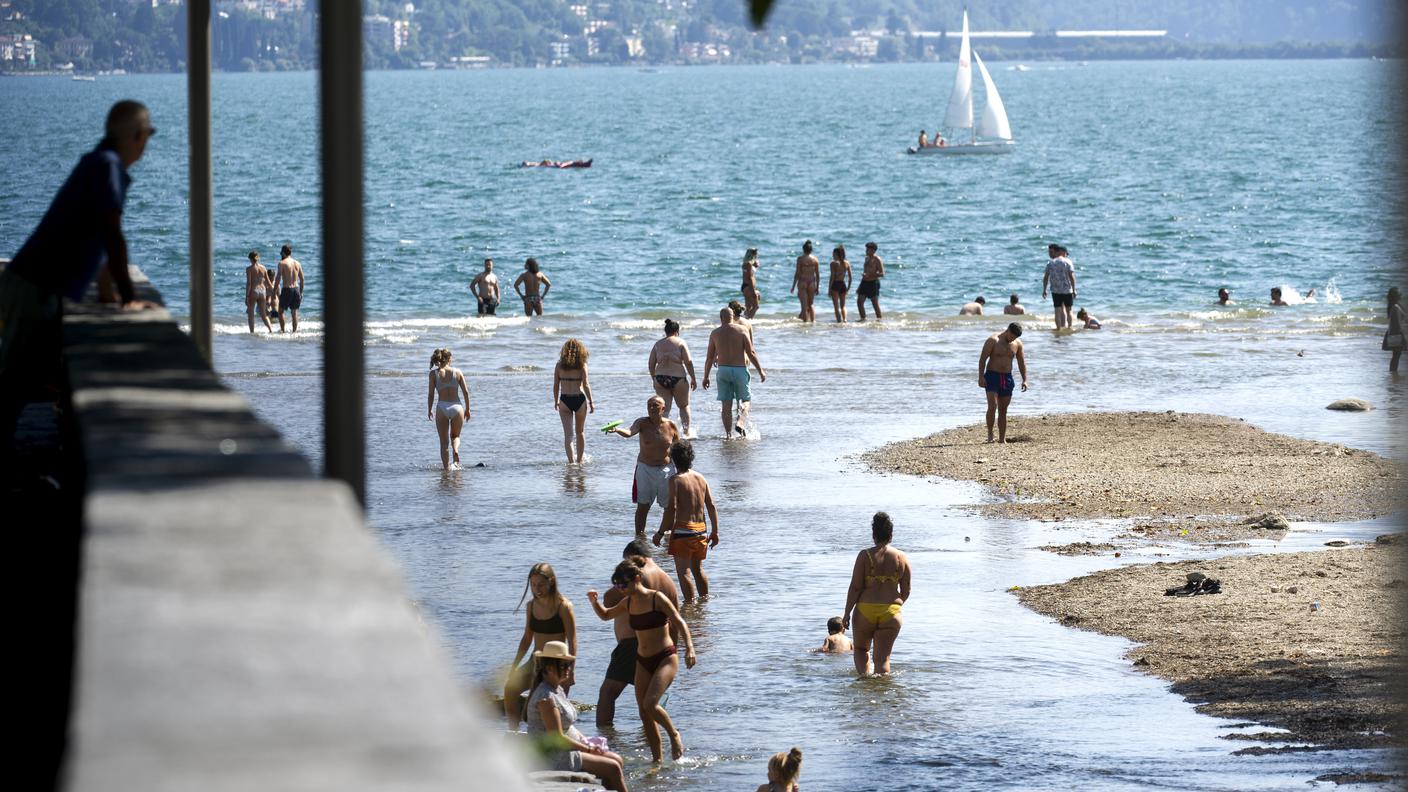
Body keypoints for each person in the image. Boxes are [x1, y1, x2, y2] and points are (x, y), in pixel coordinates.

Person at [1, 100, 157, 455]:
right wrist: (129, 298)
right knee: (16, 383)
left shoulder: (98, 163)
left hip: (33, 284)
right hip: (33, 287)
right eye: (145, 136)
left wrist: (107, 294)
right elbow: (112, 234)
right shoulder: (108, 166)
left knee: (28, 378)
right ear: (135, 136)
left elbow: (97, 238)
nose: (145, 144)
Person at [588, 560, 696, 764]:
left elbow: (679, 621)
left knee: (650, 704)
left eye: (623, 585)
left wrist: (689, 648)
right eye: (617, 586)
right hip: (642, 660)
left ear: (637, 579)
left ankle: (673, 735)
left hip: (665, 657)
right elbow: (605, 615)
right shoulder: (628, 602)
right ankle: (657, 761)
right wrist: (594, 602)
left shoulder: (656, 598)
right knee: (644, 713)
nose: (620, 590)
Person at [525, 641, 630, 792]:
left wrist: (585, 740)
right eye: (563, 666)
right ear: (548, 668)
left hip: (565, 751)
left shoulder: (557, 689)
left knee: (617, 760)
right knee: (612, 767)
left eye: (569, 665)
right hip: (552, 757)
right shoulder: (546, 698)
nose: (569, 669)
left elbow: (568, 726)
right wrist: (587, 749)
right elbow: (557, 737)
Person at [597, 540, 680, 728]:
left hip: (633, 644)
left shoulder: (638, 577)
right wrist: (672, 653)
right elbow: (675, 622)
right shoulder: (668, 580)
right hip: (663, 648)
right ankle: (650, 745)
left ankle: (604, 739)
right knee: (648, 705)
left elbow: (609, 601)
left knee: (608, 692)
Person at [506, 563, 577, 731]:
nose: (537, 589)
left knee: (545, 709)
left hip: (556, 663)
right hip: (535, 660)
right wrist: (514, 666)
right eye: (533, 585)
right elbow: (526, 639)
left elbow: (573, 641)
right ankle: (513, 733)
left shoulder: (564, 606)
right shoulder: (531, 606)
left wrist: (571, 671)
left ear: (551, 582)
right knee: (510, 689)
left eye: (541, 584)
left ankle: (555, 742)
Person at [842, 512, 911, 677]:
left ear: (873, 534)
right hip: (891, 612)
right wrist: (894, 605)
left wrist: (846, 613)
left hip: (865, 610)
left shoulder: (865, 556)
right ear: (891, 535)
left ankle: (866, 683)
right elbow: (906, 590)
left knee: (861, 649)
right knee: (883, 659)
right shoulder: (902, 557)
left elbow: (855, 587)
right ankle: (882, 689)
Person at [652, 441, 718, 601]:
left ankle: (690, 607)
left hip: (683, 531)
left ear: (673, 459)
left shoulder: (675, 480)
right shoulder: (701, 478)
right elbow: (711, 505)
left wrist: (660, 532)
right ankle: (703, 603)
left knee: (684, 572)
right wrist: (715, 531)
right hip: (701, 530)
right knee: (698, 570)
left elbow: (671, 509)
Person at [610, 396, 681, 533]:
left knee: (671, 507)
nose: (652, 408)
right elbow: (630, 432)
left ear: (663, 408)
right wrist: (618, 430)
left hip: (667, 470)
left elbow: (678, 449)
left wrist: (681, 471)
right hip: (645, 469)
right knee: (643, 506)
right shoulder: (641, 423)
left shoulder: (671, 425)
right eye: (649, 405)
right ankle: (639, 536)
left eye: (655, 405)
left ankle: (667, 536)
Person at [703, 307, 766, 437]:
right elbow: (751, 352)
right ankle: (740, 423)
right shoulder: (742, 330)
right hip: (740, 369)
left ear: (721, 318)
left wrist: (706, 377)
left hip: (723, 370)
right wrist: (760, 370)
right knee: (746, 401)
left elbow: (709, 358)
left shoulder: (715, 333)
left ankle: (728, 435)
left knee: (726, 405)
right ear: (733, 317)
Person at [978, 323, 1029, 444]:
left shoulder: (1017, 344)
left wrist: (1025, 380)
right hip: (992, 376)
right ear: (1007, 330)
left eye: (1015, 337)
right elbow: (982, 359)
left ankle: (1002, 439)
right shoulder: (993, 340)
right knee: (992, 406)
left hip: (1007, 378)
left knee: (1003, 410)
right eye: (1012, 336)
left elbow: (1021, 363)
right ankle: (990, 434)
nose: (1013, 339)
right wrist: (980, 377)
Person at [648, 319, 697, 437]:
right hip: (678, 378)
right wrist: (693, 378)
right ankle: (686, 433)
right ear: (677, 331)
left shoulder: (658, 344)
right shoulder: (680, 342)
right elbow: (688, 362)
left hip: (660, 378)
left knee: (665, 409)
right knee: (684, 406)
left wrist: (654, 378)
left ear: (666, 331)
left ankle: (663, 433)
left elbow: (651, 364)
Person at [427, 348, 471, 470]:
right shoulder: (458, 372)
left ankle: (446, 469)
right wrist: (468, 409)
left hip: (442, 408)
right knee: (455, 436)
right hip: (457, 407)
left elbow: (431, 395)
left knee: (444, 442)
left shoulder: (433, 374)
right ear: (448, 358)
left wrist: (429, 409)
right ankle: (456, 450)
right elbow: (466, 392)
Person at [554, 338, 594, 464]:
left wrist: (556, 401)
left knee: (568, 435)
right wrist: (591, 402)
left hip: (565, 399)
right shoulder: (582, 365)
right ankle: (580, 460)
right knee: (580, 431)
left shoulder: (559, 366)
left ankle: (572, 462)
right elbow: (586, 385)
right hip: (579, 399)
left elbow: (556, 385)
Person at [1042, 243, 1076, 330]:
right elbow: (1072, 277)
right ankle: (1069, 327)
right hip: (1067, 290)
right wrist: (1074, 289)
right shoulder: (1068, 262)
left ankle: (1059, 328)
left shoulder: (1051, 263)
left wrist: (1044, 290)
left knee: (1057, 311)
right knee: (1069, 311)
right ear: (1063, 252)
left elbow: (1046, 277)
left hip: (1055, 291)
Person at [271, 244, 304, 333]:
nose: (280, 254)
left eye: (281, 252)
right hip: (296, 289)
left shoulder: (282, 263)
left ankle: (283, 331)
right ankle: (294, 332)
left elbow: (277, 278)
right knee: (294, 313)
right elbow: (302, 279)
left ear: (283, 253)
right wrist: (301, 292)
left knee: (280, 311)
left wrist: (274, 291)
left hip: (287, 289)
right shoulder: (297, 263)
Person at [244, 251, 274, 333]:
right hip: (262, 292)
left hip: (254, 291)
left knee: (251, 314)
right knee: (263, 314)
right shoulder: (263, 268)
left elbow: (249, 283)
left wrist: (246, 296)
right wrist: (273, 292)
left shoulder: (249, 269)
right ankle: (271, 330)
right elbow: (268, 282)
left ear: (250, 259)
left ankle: (252, 333)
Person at [791, 240, 820, 323]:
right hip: (812, 282)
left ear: (803, 249)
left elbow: (797, 273)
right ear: (811, 250)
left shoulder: (800, 259)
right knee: (811, 304)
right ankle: (813, 321)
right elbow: (817, 275)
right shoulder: (815, 260)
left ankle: (805, 323)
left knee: (804, 305)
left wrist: (793, 286)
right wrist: (817, 287)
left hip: (803, 281)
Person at [856, 242, 884, 320]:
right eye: (866, 249)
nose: (866, 251)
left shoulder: (877, 259)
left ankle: (879, 320)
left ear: (873, 250)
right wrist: (860, 285)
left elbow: (882, 273)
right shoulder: (867, 258)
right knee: (859, 302)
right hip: (864, 282)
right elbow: (865, 272)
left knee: (874, 303)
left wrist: (870, 275)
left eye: (868, 249)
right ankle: (863, 319)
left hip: (873, 283)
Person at [828, 245, 852, 322]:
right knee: (843, 306)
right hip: (843, 284)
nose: (832, 255)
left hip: (835, 284)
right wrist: (848, 288)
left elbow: (832, 277)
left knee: (836, 306)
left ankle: (839, 321)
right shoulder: (847, 263)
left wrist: (829, 289)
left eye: (834, 254)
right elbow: (850, 277)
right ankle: (845, 320)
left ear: (838, 255)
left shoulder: (833, 263)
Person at [1384, 287, 1404, 373]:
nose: (1401, 295)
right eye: (1399, 294)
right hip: (1397, 335)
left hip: (1393, 335)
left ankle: (1393, 372)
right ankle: (1393, 372)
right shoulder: (1396, 307)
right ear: (1396, 296)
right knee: (1396, 355)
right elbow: (1398, 324)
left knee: (1395, 356)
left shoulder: (1392, 307)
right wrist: (1403, 335)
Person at [741, 248, 761, 319]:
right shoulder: (749, 264)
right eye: (756, 255)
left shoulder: (745, 264)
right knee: (756, 306)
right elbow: (750, 278)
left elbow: (749, 274)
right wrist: (753, 291)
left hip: (745, 286)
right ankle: (748, 321)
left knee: (748, 306)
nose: (757, 256)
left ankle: (744, 319)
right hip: (749, 287)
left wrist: (755, 266)